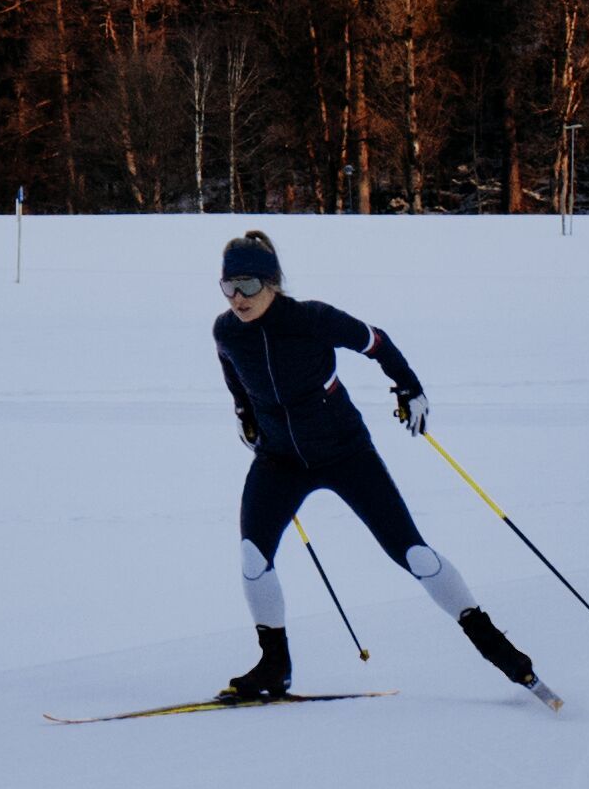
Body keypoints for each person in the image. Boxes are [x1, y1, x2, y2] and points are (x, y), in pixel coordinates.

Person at [209, 230, 554, 705]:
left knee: (412, 553)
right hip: (279, 460)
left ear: (272, 284)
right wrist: (247, 418)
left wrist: (409, 386)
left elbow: (376, 343)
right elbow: (235, 380)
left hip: (346, 453)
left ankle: (497, 647)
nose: (238, 299)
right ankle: (274, 665)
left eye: (247, 286)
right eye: (228, 287)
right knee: (252, 557)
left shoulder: (312, 319)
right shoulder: (225, 331)